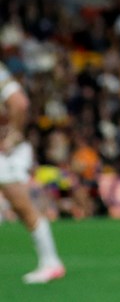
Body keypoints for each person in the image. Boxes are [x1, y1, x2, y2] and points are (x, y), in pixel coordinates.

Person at [0, 64, 64, 284]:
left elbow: (19, 103)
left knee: (21, 204)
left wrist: (13, 134)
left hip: (6, 152)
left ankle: (51, 262)